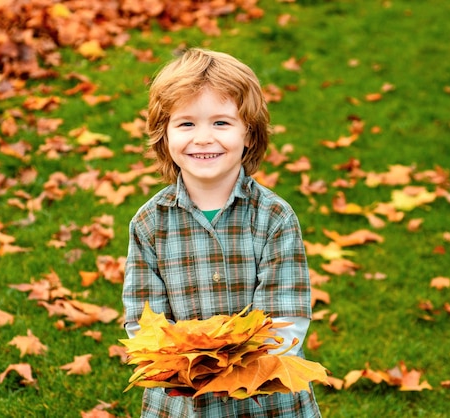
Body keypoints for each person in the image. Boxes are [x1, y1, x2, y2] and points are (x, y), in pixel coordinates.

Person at [122, 48, 320, 418]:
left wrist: (235, 370)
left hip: (266, 399)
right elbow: (143, 318)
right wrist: (182, 367)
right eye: (186, 124)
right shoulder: (149, 223)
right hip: (183, 400)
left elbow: (286, 317)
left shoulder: (274, 218)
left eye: (221, 123)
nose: (203, 138)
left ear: (249, 134)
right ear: (164, 136)